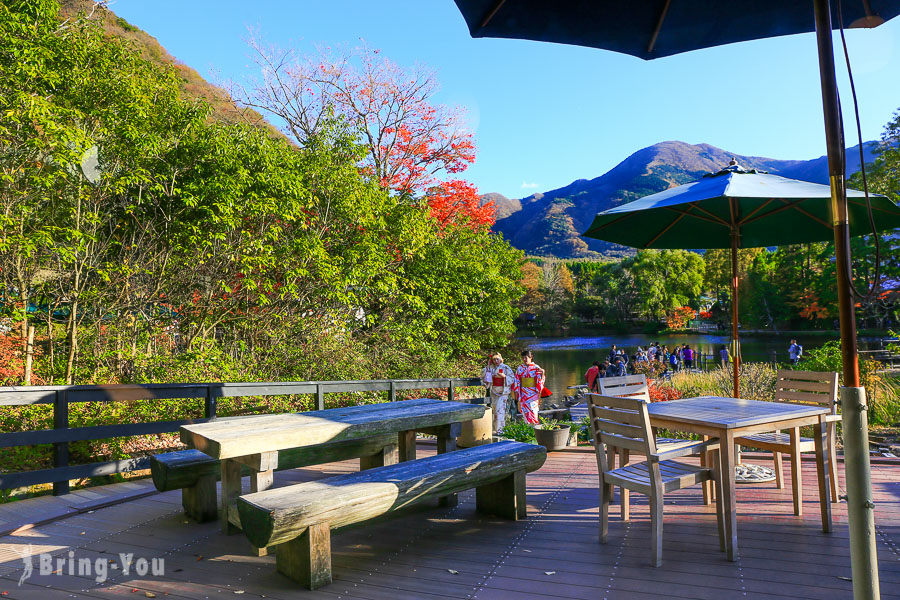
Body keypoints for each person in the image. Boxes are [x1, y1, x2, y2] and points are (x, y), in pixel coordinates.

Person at [482, 351, 515, 434]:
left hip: (503, 392)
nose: (496, 361)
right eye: (494, 359)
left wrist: (504, 377)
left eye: (497, 359)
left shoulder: (506, 368)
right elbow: (485, 378)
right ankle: (499, 429)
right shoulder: (490, 368)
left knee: (500, 411)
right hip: (494, 391)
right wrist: (488, 367)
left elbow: (512, 378)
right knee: (496, 411)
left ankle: (499, 430)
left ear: (501, 359)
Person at [512, 350, 545, 425]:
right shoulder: (520, 368)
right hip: (523, 393)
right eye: (523, 358)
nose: (524, 359)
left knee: (533, 410)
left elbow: (540, 380)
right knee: (525, 411)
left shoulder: (536, 367)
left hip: (533, 393)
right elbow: (517, 380)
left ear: (531, 357)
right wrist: (516, 392)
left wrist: (542, 373)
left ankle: (535, 427)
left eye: (526, 357)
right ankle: (528, 428)